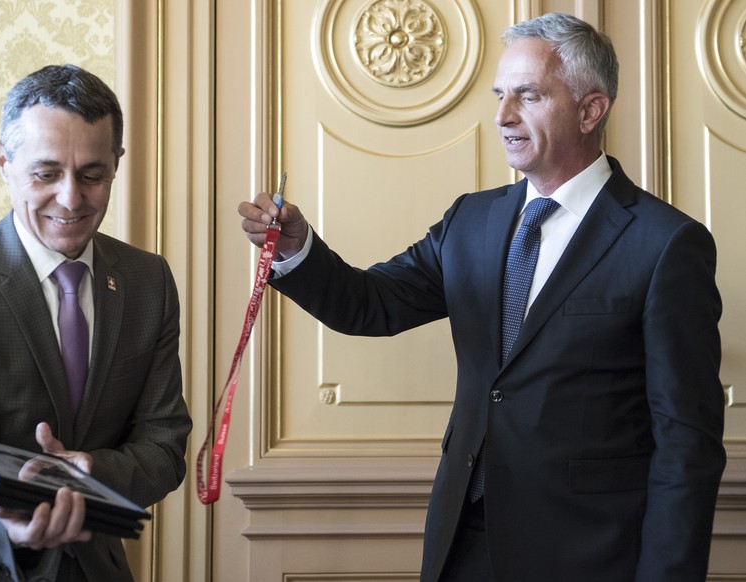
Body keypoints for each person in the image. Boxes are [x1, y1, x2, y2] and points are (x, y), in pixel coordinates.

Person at [238, 12, 725, 582]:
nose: (503, 116)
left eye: (528, 96)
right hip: (461, 545)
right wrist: (298, 250)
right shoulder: (472, 220)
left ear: (591, 110)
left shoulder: (665, 243)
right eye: (500, 95)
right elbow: (370, 303)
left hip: (591, 553)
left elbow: (686, 443)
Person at [0, 64, 192, 581]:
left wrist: (90, 472)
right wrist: (14, 528)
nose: (71, 198)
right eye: (46, 174)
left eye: (93, 174)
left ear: (117, 164)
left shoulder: (147, 280)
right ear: (4, 163)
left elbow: (165, 444)